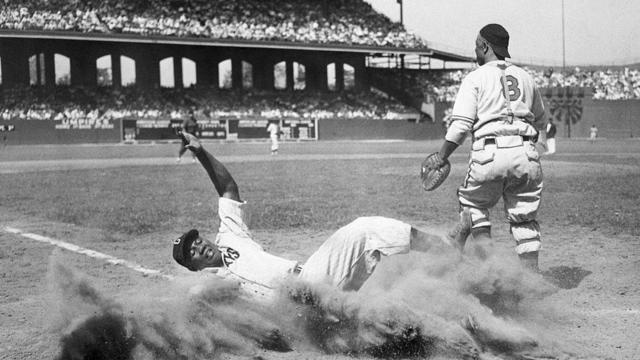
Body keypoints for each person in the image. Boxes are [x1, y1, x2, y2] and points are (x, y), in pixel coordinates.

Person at [172, 131, 463, 293]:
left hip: (313, 281)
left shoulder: (230, 236)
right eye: (192, 252)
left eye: (197, 241)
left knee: (365, 229)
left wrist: (201, 153)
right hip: (299, 312)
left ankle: (445, 251)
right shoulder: (209, 288)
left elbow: (228, 190)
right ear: (192, 267)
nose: (200, 246)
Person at [428, 24, 548, 271]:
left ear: (484, 46)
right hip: (526, 153)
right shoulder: (526, 77)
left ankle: (490, 270)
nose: (475, 49)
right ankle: (531, 282)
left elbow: (461, 126)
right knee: (524, 219)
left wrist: (441, 157)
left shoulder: (475, 77)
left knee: (473, 206)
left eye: (476, 44)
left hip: (489, 152)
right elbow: (541, 120)